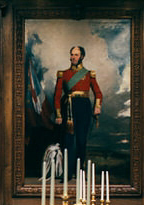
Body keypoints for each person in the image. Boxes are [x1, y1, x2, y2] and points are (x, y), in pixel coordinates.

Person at [44, 45, 102, 175]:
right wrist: (58, 114)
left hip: (84, 107)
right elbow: (57, 95)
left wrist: (97, 107)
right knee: (68, 141)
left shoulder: (89, 74)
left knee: (81, 140)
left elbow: (98, 93)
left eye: (76, 55)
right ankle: (67, 172)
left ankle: (80, 170)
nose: (73, 57)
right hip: (68, 108)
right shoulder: (63, 74)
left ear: (82, 56)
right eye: (71, 54)